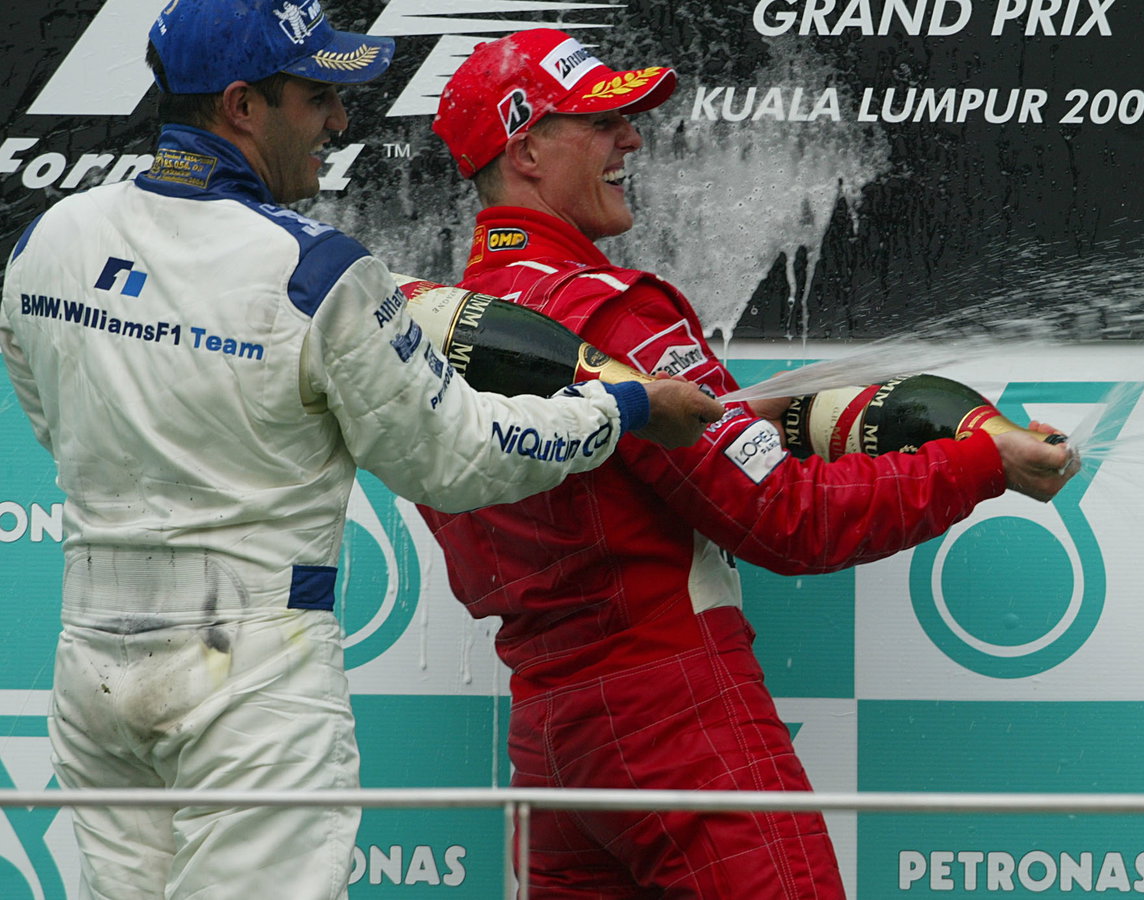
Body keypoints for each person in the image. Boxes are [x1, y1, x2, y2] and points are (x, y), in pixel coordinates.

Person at [0, 3, 722, 898]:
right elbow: (455, 459)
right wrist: (621, 405)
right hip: (249, 669)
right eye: (318, 97)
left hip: (93, 663)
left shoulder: (49, 238)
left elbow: (50, 414)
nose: (339, 121)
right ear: (240, 107)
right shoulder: (315, 269)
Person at [420, 28, 1079, 898]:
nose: (633, 140)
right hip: (675, 720)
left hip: (551, 743)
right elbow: (783, 517)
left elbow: (621, 476)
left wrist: (779, 419)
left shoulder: (436, 327)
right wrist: (981, 466)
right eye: (603, 121)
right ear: (527, 149)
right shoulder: (608, 311)